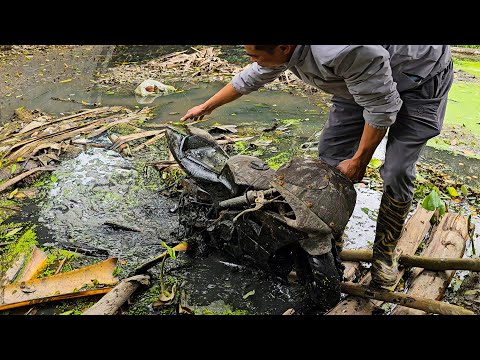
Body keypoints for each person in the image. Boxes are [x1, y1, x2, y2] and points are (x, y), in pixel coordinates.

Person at [180, 45, 454, 290]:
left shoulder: (342, 51)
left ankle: (384, 254)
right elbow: (255, 73)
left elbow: (381, 108)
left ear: (285, 48)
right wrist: (206, 106)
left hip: (419, 79)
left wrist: (360, 160)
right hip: (357, 80)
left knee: (397, 169)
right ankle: (331, 241)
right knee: (330, 158)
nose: (250, 59)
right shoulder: (284, 51)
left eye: (254, 54)